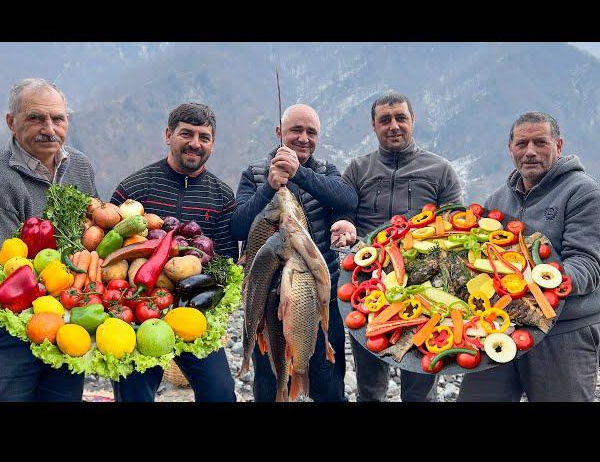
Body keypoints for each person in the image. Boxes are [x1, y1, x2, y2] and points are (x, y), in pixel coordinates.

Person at [0, 78, 98, 402]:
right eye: (35, 118)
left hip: (62, 316)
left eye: (58, 118)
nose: (49, 128)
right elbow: (5, 279)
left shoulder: (78, 165)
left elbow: (92, 232)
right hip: (2, 333)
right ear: (11, 122)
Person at [457, 111, 600, 402]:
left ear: (558, 146)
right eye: (521, 144)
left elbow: (587, 267)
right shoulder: (497, 200)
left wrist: (531, 281)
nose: (530, 152)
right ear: (511, 150)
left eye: (540, 142)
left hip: (564, 331)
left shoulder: (583, 192)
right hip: (501, 327)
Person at [333, 91, 463, 402]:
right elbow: (345, 214)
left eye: (400, 118)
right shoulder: (357, 169)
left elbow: (457, 227)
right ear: (373, 126)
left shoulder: (440, 170)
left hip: (424, 288)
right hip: (366, 287)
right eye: (385, 120)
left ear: (412, 120)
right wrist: (345, 227)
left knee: (420, 384)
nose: (394, 126)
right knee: (369, 386)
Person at [110, 102, 238, 402]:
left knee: (220, 393)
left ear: (212, 144)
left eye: (204, 137)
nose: (195, 144)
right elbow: (109, 250)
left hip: (195, 314)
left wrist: (210, 300)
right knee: (133, 397)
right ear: (169, 135)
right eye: (187, 134)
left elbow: (226, 259)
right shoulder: (135, 187)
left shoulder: (221, 195)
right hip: (140, 314)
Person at [231, 103, 358, 402]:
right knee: (271, 376)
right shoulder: (254, 174)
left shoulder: (325, 172)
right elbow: (237, 226)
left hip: (318, 290)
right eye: (295, 130)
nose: (303, 138)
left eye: (311, 132)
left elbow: (347, 199)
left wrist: (299, 174)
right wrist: (268, 188)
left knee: (328, 376)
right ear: (279, 132)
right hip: (268, 292)